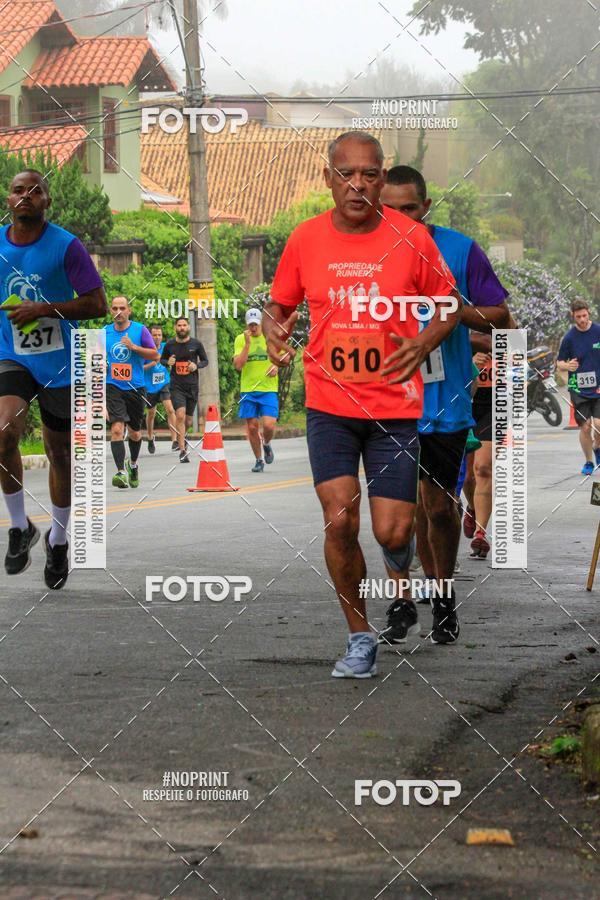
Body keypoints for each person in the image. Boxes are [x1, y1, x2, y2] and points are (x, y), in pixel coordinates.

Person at [263, 131, 461, 678]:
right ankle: (359, 637)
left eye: (369, 174)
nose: (358, 184)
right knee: (339, 518)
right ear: (328, 178)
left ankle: (399, 568)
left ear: (382, 177)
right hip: (329, 405)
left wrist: (423, 342)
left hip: (395, 408)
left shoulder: (411, 239)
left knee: (394, 531)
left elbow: (448, 305)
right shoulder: (304, 240)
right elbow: (279, 305)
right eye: (346, 174)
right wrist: (273, 331)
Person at [380, 166, 510, 612]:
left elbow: (502, 318)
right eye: (390, 210)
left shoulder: (459, 250)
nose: (400, 219)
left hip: (444, 402)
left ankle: (443, 594)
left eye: (409, 209)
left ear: (427, 206)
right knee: (403, 509)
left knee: (437, 506)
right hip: (388, 402)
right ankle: (407, 602)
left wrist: (454, 307)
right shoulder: (365, 254)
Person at [0, 169, 106, 588]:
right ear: (8, 199)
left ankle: (58, 540)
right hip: (12, 358)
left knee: (59, 453)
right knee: (4, 430)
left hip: (60, 362)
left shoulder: (66, 246)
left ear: (47, 201)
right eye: (17, 190)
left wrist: (44, 310)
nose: (25, 196)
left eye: (35, 191)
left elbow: (96, 304)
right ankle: (19, 526)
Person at [104, 296, 158, 488]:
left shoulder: (139, 330)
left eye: (122, 308)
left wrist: (134, 347)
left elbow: (155, 354)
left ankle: (133, 464)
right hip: (113, 386)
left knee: (135, 433)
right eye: (114, 308)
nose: (118, 312)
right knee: (117, 429)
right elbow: (94, 359)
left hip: (136, 387)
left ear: (129, 310)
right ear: (111, 311)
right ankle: (120, 472)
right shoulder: (105, 332)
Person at [233, 307, 279, 472]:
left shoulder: (271, 337)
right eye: (251, 325)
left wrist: (276, 366)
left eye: (256, 325)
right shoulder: (240, 339)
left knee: (269, 425)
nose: (253, 328)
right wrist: (247, 344)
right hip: (248, 390)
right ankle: (259, 460)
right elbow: (238, 366)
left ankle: (266, 443)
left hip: (268, 389)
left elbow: (284, 356)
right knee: (252, 427)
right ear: (247, 324)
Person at [557, 299, 600, 475]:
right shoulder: (569, 338)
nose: (582, 319)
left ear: (588, 313)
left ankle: (597, 447)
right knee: (585, 427)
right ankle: (589, 462)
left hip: (598, 387)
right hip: (578, 388)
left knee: (598, 425)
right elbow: (559, 363)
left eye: (584, 315)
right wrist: (567, 367)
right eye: (578, 317)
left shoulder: (598, 331)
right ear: (573, 316)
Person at [160, 317, 208, 463]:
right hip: (176, 386)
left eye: (184, 325)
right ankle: (182, 451)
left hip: (192, 386)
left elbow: (205, 360)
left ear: (188, 327)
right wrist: (167, 362)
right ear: (175, 327)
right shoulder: (170, 344)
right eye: (179, 325)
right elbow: (162, 359)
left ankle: (183, 436)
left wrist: (196, 366)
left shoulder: (196, 343)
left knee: (187, 420)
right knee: (179, 415)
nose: (182, 328)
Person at [144, 324, 176, 454]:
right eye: (154, 335)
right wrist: (153, 362)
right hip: (149, 386)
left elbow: (171, 360)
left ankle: (174, 440)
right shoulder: (145, 350)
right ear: (149, 336)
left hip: (164, 383)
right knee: (151, 413)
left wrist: (171, 362)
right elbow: (140, 368)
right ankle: (150, 438)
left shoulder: (165, 348)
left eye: (159, 335)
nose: (157, 337)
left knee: (170, 409)